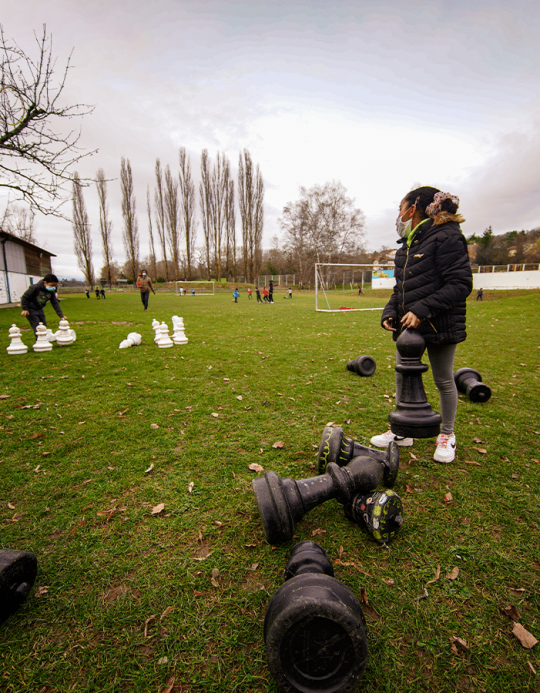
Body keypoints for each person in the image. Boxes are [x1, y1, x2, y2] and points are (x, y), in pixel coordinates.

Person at [370, 187, 472, 464]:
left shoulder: (448, 236)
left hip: (440, 324)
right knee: (403, 375)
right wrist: (390, 310)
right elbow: (401, 289)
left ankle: (447, 435)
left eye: (399, 210)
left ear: (411, 210)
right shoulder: (406, 246)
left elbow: (460, 285)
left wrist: (422, 310)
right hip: (409, 328)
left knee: (443, 380)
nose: (398, 216)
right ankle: (404, 430)